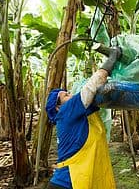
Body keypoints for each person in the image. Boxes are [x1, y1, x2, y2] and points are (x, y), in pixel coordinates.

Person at [45, 47, 121, 189]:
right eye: (66, 96)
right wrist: (112, 58)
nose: (71, 95)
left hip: (68, 180)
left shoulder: (72, 115)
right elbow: (93, 85)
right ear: (57, 107)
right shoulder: (66, 111)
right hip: (67, 182)